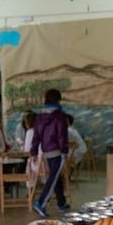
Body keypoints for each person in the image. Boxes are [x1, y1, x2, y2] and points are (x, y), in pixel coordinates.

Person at [31, 89, 70, 217]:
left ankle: (61, 203)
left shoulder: (40, 116)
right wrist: (64, 150)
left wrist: (34, 151)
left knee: (56, 176)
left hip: (46, 150)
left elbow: (36, 135)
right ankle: (40, 203)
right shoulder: (59, 115)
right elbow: (61, 135)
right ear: (58, 100)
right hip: (57, 150)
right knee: (53, 178)